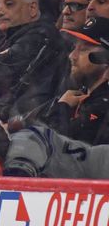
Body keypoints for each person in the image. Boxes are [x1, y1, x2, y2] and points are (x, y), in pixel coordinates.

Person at [0, 0, 68, 120]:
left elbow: (1, 69)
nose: (0, 12)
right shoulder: (12, 37)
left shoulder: (40, 36)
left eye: (9, 4)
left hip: (31, 126)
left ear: (32, 9)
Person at [43, 16, 109, 145]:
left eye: (84, 49)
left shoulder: (102, 106)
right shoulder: (76, 94)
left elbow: (59, 147)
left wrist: (62, 108)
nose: (72, 56)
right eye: (74, 47)